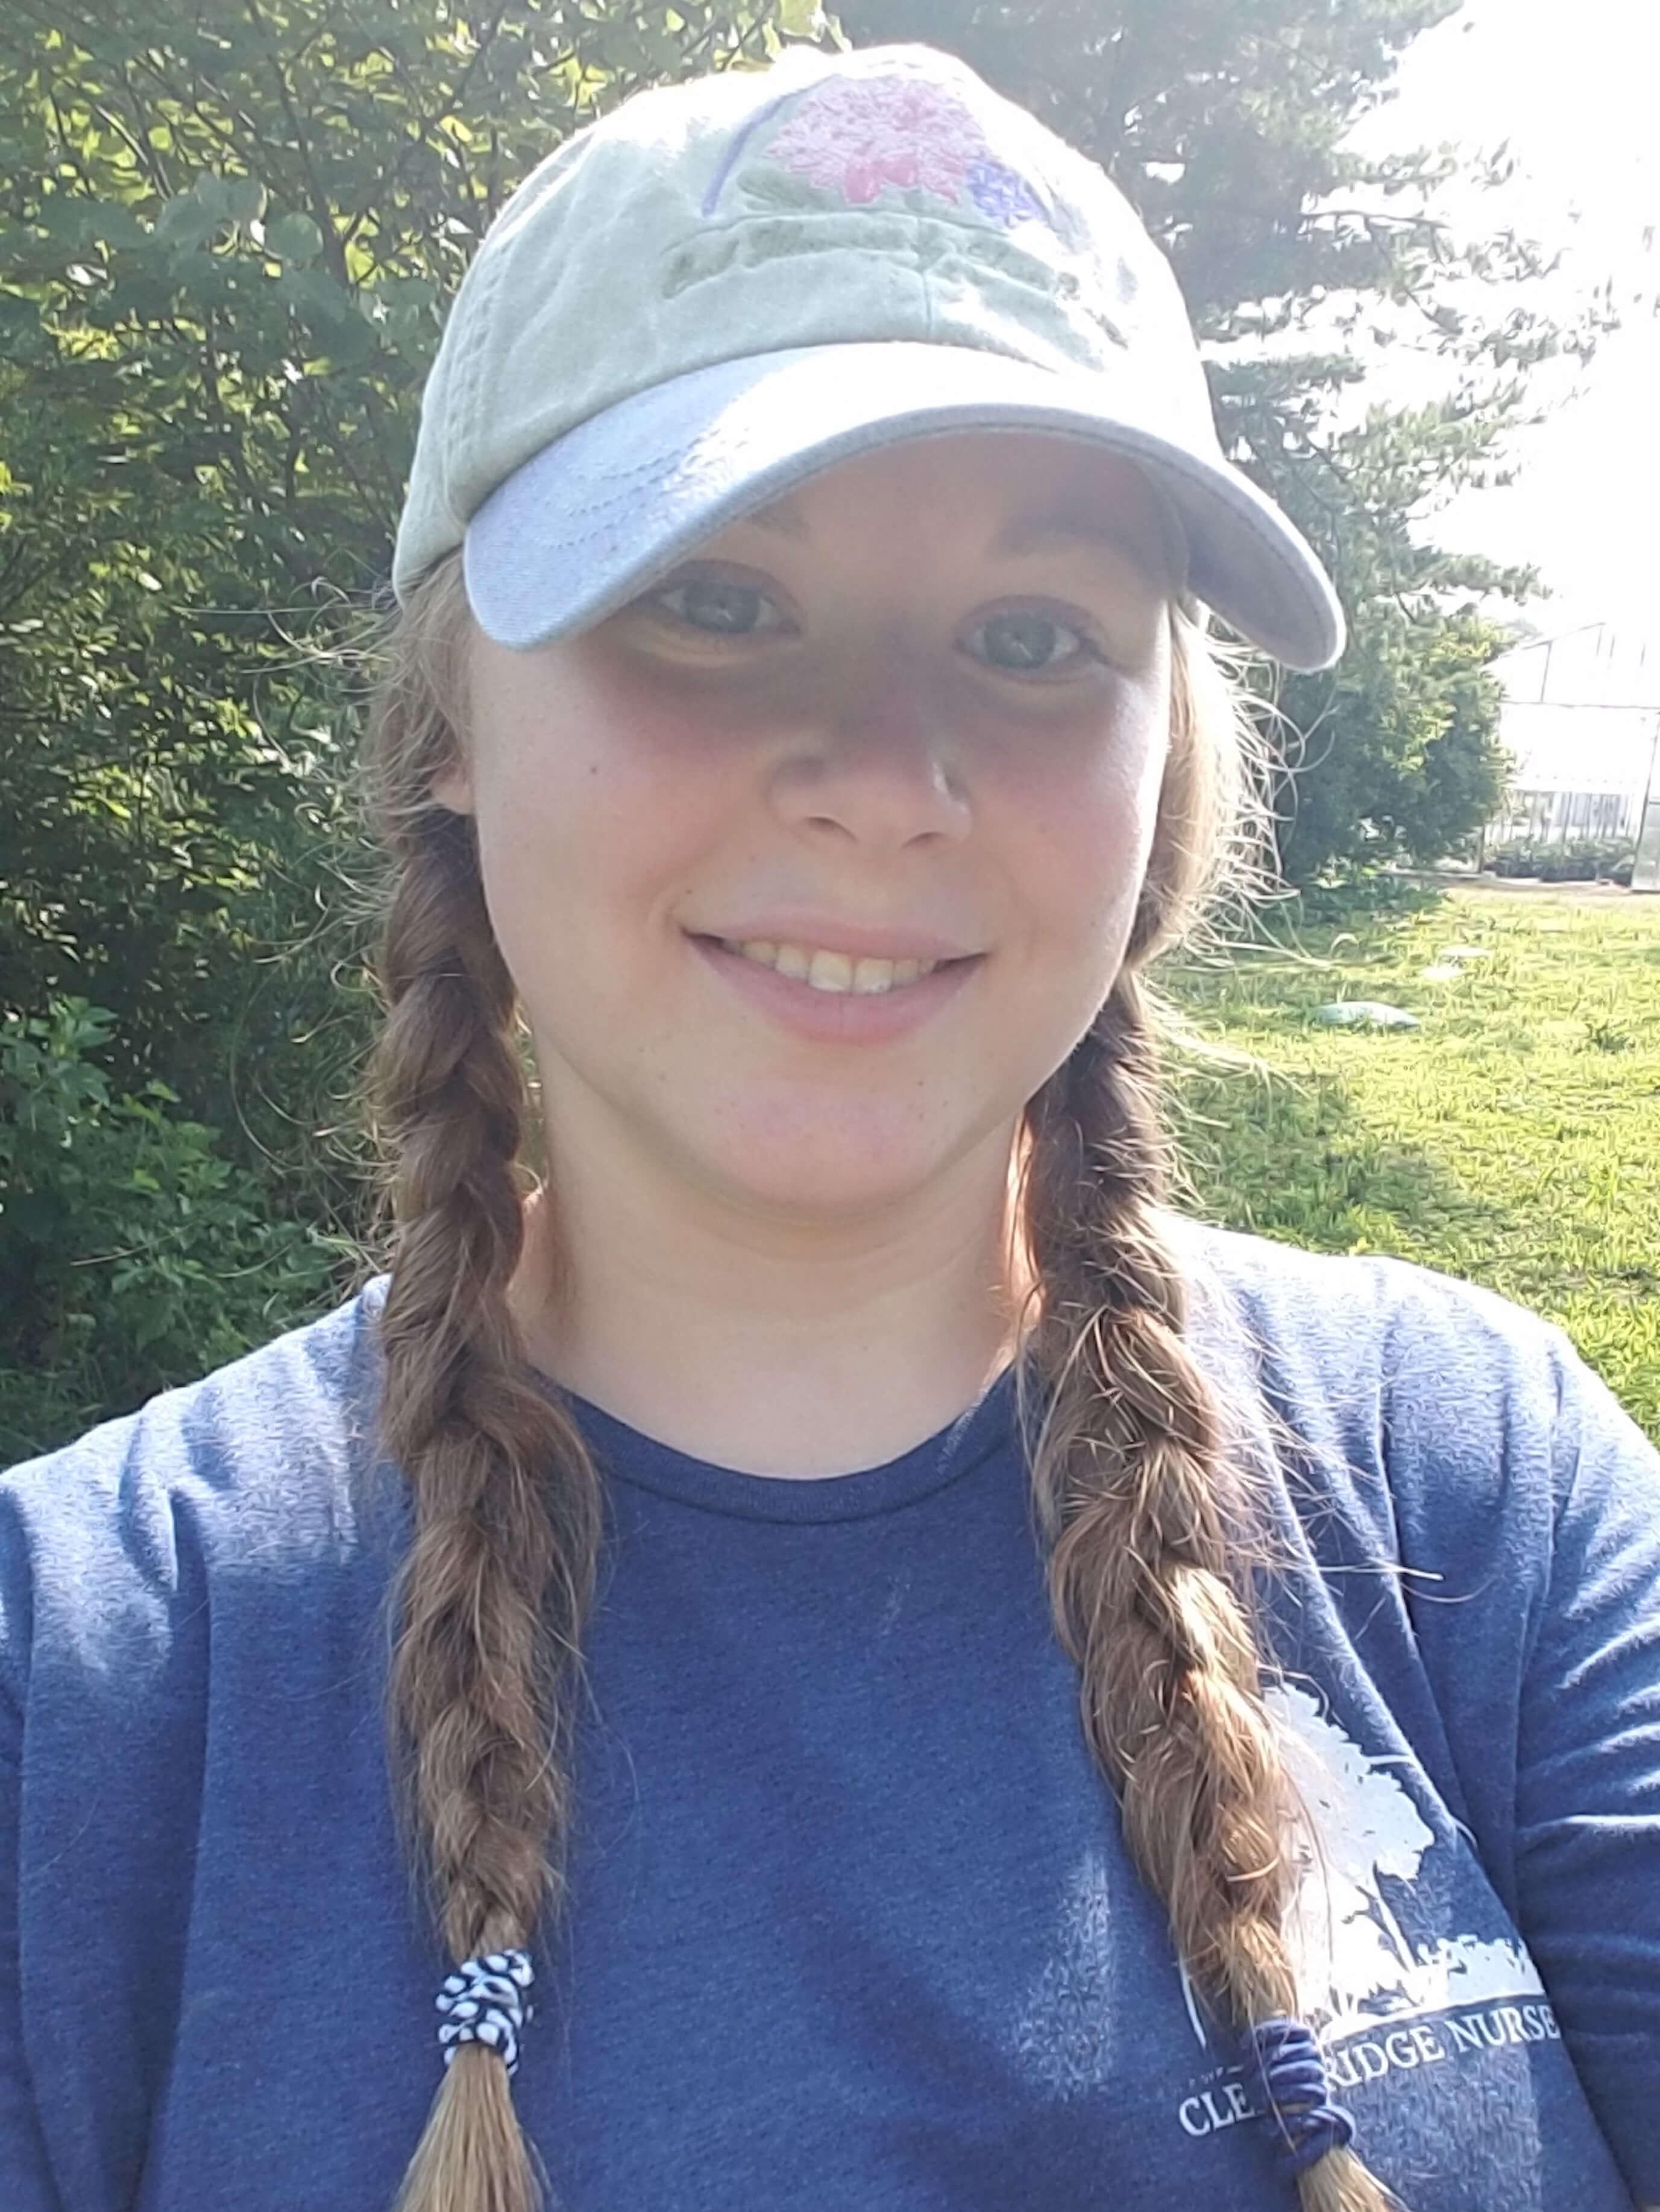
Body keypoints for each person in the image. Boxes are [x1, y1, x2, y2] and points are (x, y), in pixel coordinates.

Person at [1, 39, 1656, 2212]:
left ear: (1160, 796)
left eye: (1032, 634)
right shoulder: (87, 1675)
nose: (886, 773)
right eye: (714, 600)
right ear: (451, 724)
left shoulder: (1484, 1502)